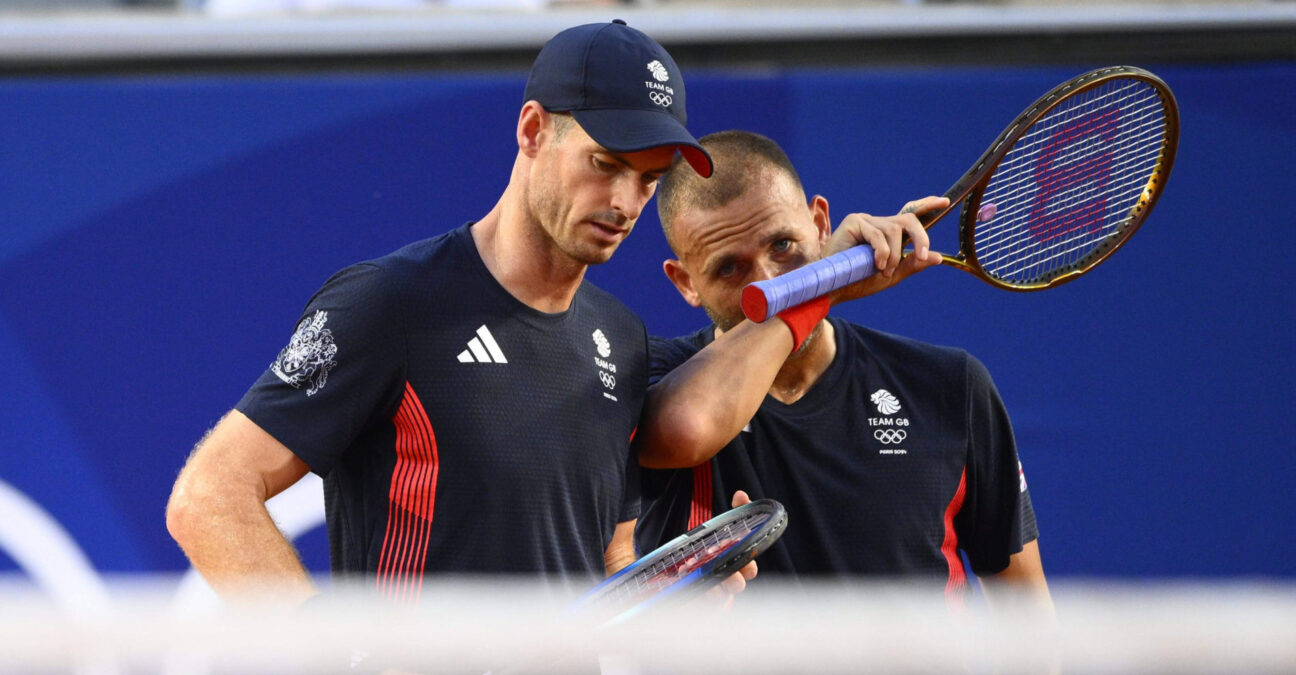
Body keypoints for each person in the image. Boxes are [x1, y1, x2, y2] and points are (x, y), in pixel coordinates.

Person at [165, 20, 728, 610]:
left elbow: (609, 560)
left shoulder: (621, 336)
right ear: (533, 130)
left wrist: (673, 614)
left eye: (648, 179)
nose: (625, 202)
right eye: (606, 163)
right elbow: (208, 497)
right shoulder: (388, 303)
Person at [633, 130, 1054, 612]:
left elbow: (1029, 622)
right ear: (686, 281)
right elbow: (688, 426)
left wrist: (817, 286)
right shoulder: (648, 384)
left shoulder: (950, 387)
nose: (769, 285)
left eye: (783, 244)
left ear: (819, 223)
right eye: (729, 269)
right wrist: (823, 286)